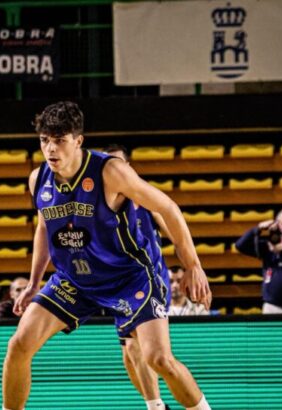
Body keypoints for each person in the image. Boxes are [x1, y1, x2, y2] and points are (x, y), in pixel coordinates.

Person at [2, 101, 212, 410]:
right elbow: (44, 226)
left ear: (78, 141)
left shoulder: (110, 172)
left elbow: (167, 207)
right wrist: (34, 282)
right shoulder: (39, 179)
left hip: (131, 275)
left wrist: (193, 265)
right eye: (45, 140)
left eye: (59, 140)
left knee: (158, 359)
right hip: (76, 278)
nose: (51, 149)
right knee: (19, 344)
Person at [105, 144, 172, 410]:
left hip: (149, 279)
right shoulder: (101, 205)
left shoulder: (144, 198)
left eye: (119, 164)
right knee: (128, 357)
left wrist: (192, 265)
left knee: (141, 350)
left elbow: (172, 222)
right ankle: (157, 404)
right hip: (121, 285)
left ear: (129, 169)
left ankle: (156, 407)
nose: (113, 171)